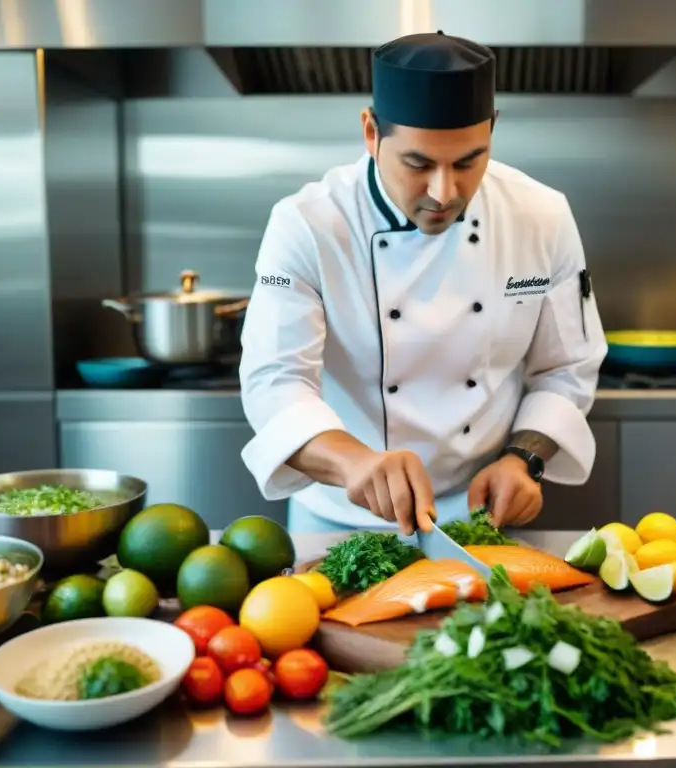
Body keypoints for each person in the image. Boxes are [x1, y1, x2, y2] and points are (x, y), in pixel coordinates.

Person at [239, 30, 607, 535]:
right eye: (418, 163)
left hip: (482, 521)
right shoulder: (308, 223)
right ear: (371, 133)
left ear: (492, 130)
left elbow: (567, 366)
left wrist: (524, 458)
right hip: (341, 521)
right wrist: (354, 463)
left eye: (467, 161)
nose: (444, 191)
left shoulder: (541, 215)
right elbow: (275, 383)